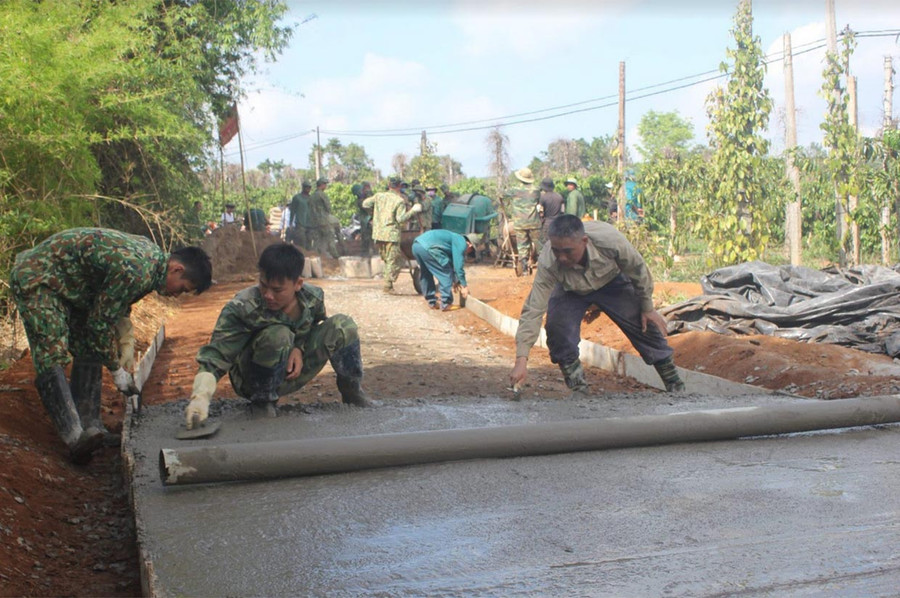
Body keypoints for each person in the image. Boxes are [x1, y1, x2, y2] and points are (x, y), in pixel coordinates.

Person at [10, 228, 213, 463]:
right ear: (177, 269)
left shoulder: (152, 263)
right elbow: (99, 324)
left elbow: (114, 302)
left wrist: (124, 331)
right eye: (182, 289)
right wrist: (116, 370)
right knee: (51, 351)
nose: (177, 295)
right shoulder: (138, 270)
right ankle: (74, 436)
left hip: (71, 287)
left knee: (88, 347)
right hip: (39, 277)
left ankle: (91, 426)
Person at [184, 243, 374, 428]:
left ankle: (353, 394)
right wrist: (200, 399)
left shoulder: (312, 299)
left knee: (343, 325)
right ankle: (262, 404)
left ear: (298, 284)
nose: (268, 295)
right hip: (251, 379)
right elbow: (215, 357)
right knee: (278, 335)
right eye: (263, 285)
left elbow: (312, 325)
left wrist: (299, 347)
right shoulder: (242, 307)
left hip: (291, 371)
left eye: (277, 290)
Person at [508, 215, 685, 399]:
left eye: (568, 251)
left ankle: (675, 385)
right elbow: (534, 308)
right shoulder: (549, 262)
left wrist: (647, 307)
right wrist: (521, 359)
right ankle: (578, 388)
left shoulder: (609, 241)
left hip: (612, 282)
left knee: (643, 325)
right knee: (557, 330)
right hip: (570, 290)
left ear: (584, 241)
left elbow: (638, 269)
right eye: (556, 251)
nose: (561, 257)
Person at [362, 177, 422, 293]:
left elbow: (365, 204)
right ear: (399, 186)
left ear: (389, 185)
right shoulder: (398, 200)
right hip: (391, 234)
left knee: (387, 259)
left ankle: (388, 284)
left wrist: (375, 213)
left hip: (378, 234)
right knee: (396, 260)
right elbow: (400, 219)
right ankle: (388, 286)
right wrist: (413, 210)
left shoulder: (379, 196)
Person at [412, 230, 477, 311]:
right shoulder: (461, 242)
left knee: (426, 273)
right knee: (446, 273)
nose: (467, 252)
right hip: (428, 248)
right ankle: (446, 303)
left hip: (416, 245)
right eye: (471, 250)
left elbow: (450, 262)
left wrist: (456, 280)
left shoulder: (454, 238)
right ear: (469, 244)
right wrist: (464, 286)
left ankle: (431, 302)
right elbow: (458, 266)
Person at [502, 167, 541, 274]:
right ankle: (543, 267)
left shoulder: (514, 190)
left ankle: (524, 270)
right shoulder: (536, 190)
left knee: (522, 246)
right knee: (539, 245)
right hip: (534, 222)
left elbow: (501, 194)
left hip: (520, 223)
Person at [310, 178, 339, 258]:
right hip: (324, 220)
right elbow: (328, 207)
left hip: (314, 222)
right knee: (330, 238)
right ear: (322, 185)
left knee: (317, 241)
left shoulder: (312, 196)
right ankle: (335, 256)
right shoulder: (322, 194)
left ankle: (315, 257)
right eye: (325, 184)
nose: (326, 186)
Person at [538, 177, 564, 244]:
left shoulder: (543, 197)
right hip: (558, 223)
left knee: (547, 243)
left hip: (547, 224)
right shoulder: (559, 196)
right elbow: (562, 211)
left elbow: (540, 212)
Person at [288, 182, 312, 249]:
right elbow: (293, 211)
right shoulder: (297, 198)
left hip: (309, 224)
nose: (308, 189)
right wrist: (290, 223)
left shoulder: (311, 198)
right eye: (307, 187)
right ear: (303, 187)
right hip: (300, 224)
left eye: (310, 188)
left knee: (309, 242)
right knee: (301, 242)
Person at [353, 182, 374, 255]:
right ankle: (367, 252)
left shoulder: (364, 198)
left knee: (368, 237)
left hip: (367, 220)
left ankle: (369, 251)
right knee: (367, 238)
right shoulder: (360, 201)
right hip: (366, 221)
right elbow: (368, 206)